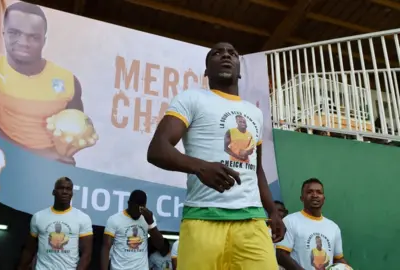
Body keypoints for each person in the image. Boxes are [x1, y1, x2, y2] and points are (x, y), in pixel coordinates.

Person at [147, 42, 285, 270]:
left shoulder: (255, 113)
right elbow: (158, 150)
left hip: (252, 222)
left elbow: (256, 169)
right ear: (206, 71)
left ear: (239, 70)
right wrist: (200, 167)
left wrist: (272, 210)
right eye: (217, 53)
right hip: (203, 218)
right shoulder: (191, 99)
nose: (226, 55)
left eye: (232, 53)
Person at [0, 2, 97, 164]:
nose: (23, 42)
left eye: (33, 37)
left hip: (45, 168)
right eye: (14, 33)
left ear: (44, 41)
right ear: (4, 33)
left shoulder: (69, 81)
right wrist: (33, 154)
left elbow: (76, 134)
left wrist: (61, 156)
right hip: (1, 157)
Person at [17, 177, 93, 270]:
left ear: (72, 194)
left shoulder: (83, 218)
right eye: (61, 188)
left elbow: (87, 254)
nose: (65, 191)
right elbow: (29, 249)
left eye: (68, 189)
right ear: (53, 192)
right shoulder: (38, 217)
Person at [276, 178, 348, 270]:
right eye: (310, 192)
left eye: (319, 192)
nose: (315, 195)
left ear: (323, 198)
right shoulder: (290, 221)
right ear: (302, 198)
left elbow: (338, 259)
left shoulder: (333, 227)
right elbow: (281, 255)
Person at [101, 190, 166, 270]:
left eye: (140, 208)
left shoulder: (148, 218)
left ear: (144, 206)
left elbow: (160, 245)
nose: (137, 212)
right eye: (135, 208)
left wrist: (151, 223)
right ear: (129, 203)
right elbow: (106, 247)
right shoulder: (114, 219)